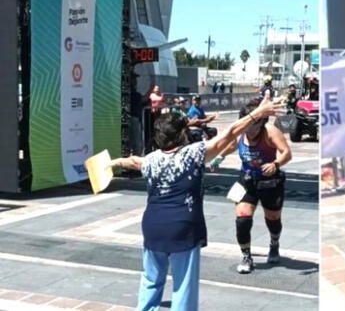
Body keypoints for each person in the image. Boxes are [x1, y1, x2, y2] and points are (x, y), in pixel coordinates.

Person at [107, 93, 284, 311]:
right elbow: (229, 134)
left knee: (151, 279)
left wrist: (114, 162)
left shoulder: (152, 159)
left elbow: (134, 162)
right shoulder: (194, 153)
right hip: (183, 228)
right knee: (183, 287)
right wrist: (258, 113)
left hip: (152, 227)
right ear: (182, 135)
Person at [215, 99, 292, 274]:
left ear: (261, 123)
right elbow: (232, 145)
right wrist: (220, 157)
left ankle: (274, 243)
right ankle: (246, 256)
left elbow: (287, 153)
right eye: (246, 125)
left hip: (270, 182)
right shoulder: (241, 130)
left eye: (253, 127)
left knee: (273, 220)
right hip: (247, 181)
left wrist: (276, 164)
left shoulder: (270, 132)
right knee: (242, 219)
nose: (248, 130)